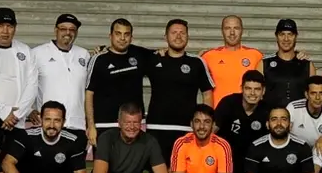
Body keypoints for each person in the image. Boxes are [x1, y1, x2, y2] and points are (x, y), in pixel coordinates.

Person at [144, 19, 215, 163]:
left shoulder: (197, 62)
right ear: (166, 37)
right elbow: (129, 54)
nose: (178, 36)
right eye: (174, 33)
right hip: (157, 127)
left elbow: (207, 93)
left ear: (188, 37)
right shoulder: (153, 59)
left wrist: (205, 123)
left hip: (187, 129)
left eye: (182, 33)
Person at [84, 19, 148, 146]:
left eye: (126, 34)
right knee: (104, 165)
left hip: (132, 126)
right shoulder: (98, 59)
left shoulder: (140, 54)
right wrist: (91, 126)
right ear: (110, 36)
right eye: (118, 33)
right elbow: (89, 93)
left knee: (133, 165)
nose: (122, 38)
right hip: (105, 125)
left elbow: (165, 54)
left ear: (131, 37)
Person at [31, 14, 90, 135]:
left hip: (77, 125)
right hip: (48, 125)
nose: (68, 32)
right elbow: (25, 85)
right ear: (55, 30)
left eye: (72, 29)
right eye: (63, 29)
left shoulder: (84, 54)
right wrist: (28, 110)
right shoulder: (37, 53)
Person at [214, 70, 271, 173]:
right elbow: (212, 131)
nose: (252, 93)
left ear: (263, 91)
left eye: (257, 89)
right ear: (242, 89)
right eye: (248, 88)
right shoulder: (228, 102)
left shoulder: (268, 110)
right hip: (226, 157)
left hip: (252, 160)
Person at [201, 15, 263, 107]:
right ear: (222, 31)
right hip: (219, 115)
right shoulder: (208, 56)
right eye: (227, 28)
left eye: (236, 28)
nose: (232, 32)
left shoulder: (256, 55)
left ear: (242, 30)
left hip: (247, 116)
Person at [262, 19, 316, 108]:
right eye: (282, 34)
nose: (286, 39)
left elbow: (313, 95)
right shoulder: (264, 64)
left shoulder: (307, 65)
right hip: (272, 118)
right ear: (276, 37)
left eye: (290, 34)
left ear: (295, 36)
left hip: (299, 119)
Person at [287, 76, 322, 151]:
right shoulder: (293, 108)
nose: (317, 98)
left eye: (321, 93)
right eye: (313, 93)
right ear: (306, 94)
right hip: (295, 151)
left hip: (320, 152)